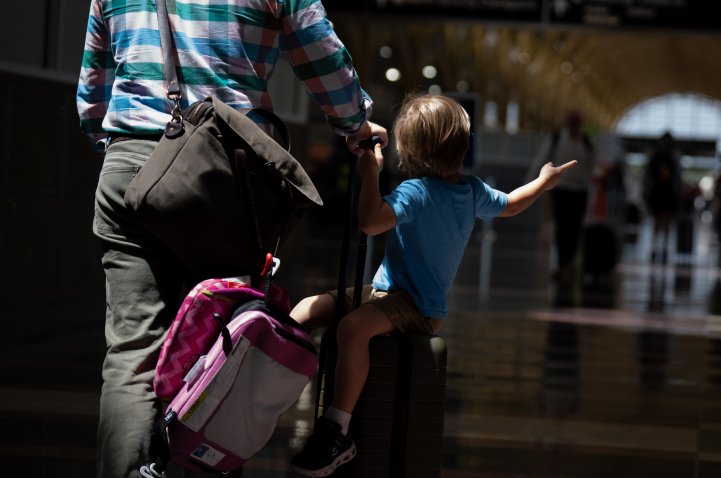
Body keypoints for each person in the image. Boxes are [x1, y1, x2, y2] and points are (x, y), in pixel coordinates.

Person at [76, 1, 387, 477]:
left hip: (128, 165)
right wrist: (355, 123)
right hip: (219, 174)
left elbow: (92, 95)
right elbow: (319, 52)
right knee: (226, 348)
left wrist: (130, 152)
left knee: (131, 358)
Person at [288, 94, 576, 477]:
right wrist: (543, 182)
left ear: (412, 149)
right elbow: (511, 203)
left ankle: (336, 430)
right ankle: (277, 382)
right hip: (386, 295)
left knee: (352, 328)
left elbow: (371, 223)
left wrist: (370, 173)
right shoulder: (470, 190)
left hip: (417, 308)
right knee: (306, 309)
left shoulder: (418, 191)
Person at [526, 110, 596, 283]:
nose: (574, 128)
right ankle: (562, 264)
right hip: (561, 190)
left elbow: (592, 166)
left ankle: (568, 264)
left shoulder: (586, 142)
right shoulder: (557, 138)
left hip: (580, 191)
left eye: (576, 124)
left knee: (575, 228)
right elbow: (542, 159)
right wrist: (530, 181)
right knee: (562, 227)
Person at [642, 131, 682, 263]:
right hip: (667, 193)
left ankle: (655, 249)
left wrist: (646, 192)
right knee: (665, 222)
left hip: (658, 192)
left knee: (657, 222)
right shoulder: (673, 155)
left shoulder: (656, 155)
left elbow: (647, 175)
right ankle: (662, 249)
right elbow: (678, 178)